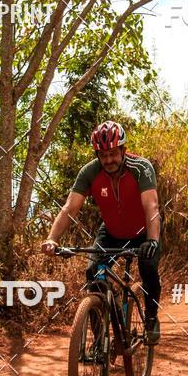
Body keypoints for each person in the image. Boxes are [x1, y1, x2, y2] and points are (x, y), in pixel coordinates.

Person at [41, 120, 162, 344]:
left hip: (143, 231)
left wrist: (152, 240)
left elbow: (151, 206)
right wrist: (52, 239)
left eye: (113, 153)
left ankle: (152, 318)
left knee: (148, 267)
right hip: (112, 231)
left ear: (124, 150)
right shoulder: (90, 172)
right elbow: (70, 208)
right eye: (103, 155)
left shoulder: (141, 168)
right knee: (93, 273)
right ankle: (100, 340)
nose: (109, 160)